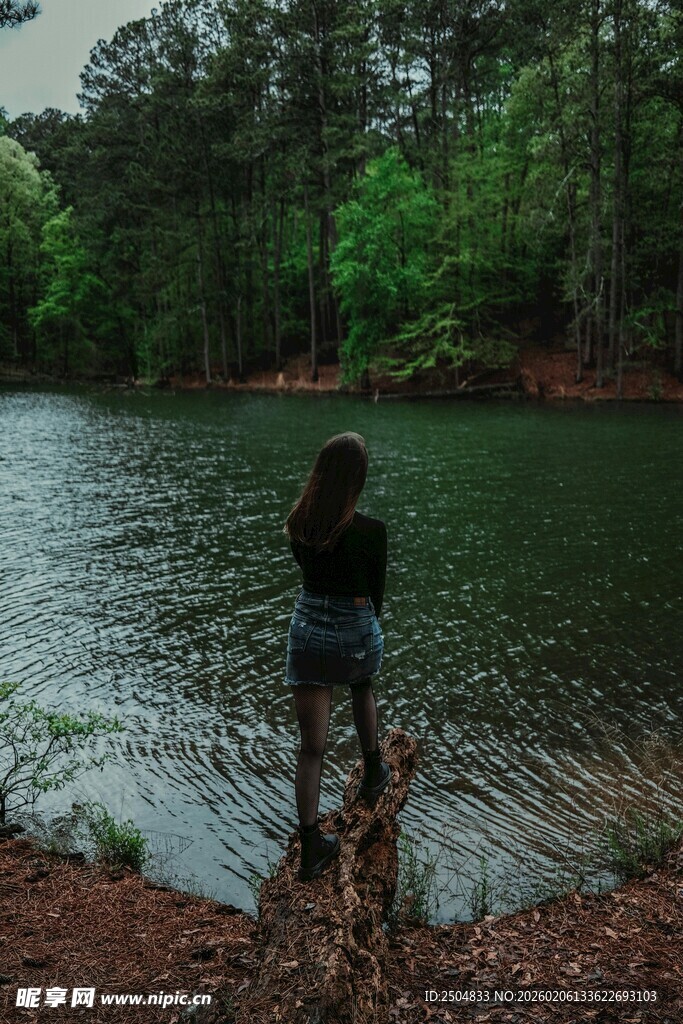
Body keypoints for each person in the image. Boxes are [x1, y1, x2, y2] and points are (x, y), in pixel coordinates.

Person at [283, 431, 391, 881]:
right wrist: (358, 629)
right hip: (354, 632)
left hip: (307, 632)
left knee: (311, 748)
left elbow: (310, 576)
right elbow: (376, 597)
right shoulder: (372, 532)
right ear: (357, 480)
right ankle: (373, 770)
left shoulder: (300, 525)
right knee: (361, 683)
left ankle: (310, 848)